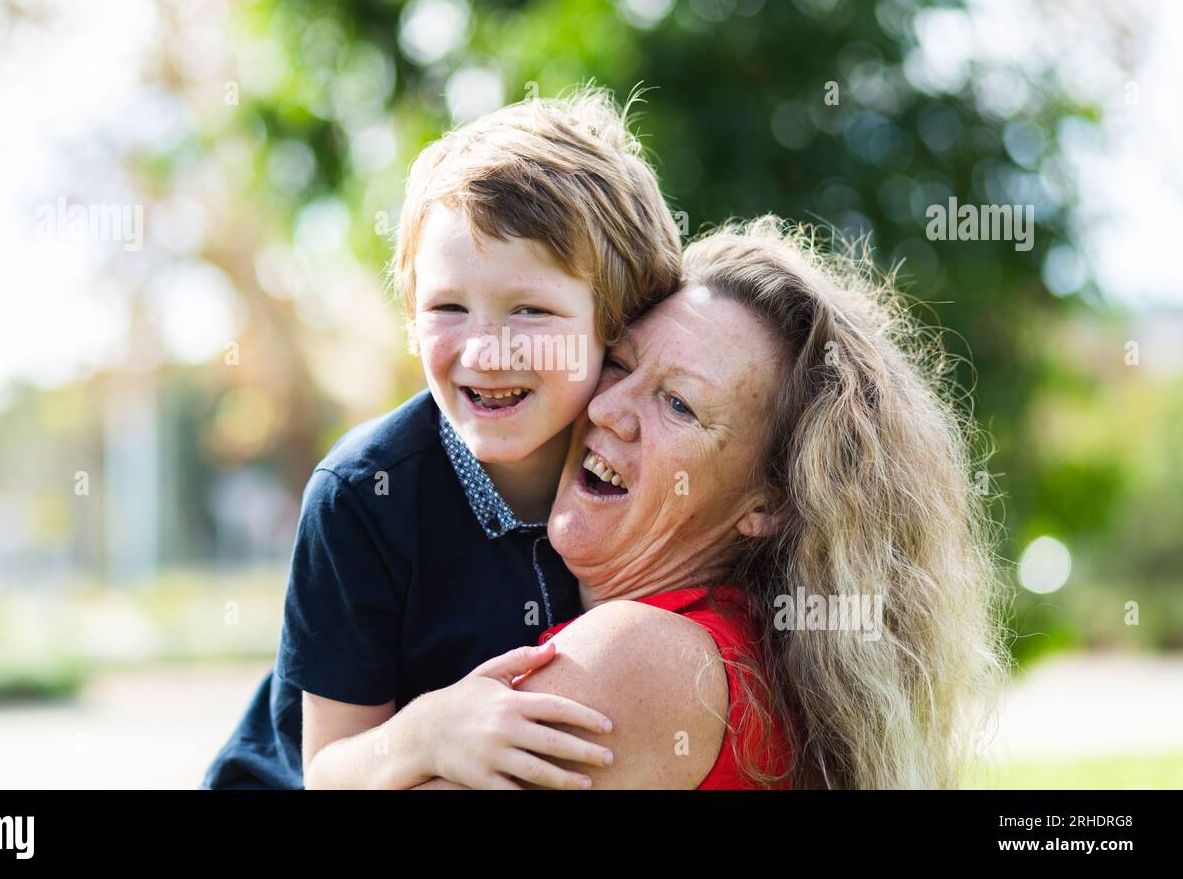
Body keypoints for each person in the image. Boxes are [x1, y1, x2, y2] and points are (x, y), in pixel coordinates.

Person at [409, 217, 1007, 789]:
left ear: (768, 503)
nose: (605, 410)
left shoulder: (640, 661)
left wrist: (408, 738)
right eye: (619, 363)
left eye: (679, 405)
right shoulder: (749, 660)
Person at [201, 87, 683, 789]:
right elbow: (329, 770)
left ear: (615, 322)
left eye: (531, 311)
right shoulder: (361, 498)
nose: (486, 352)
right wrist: (427, 734)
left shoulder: (634, 464)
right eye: (448, 308)